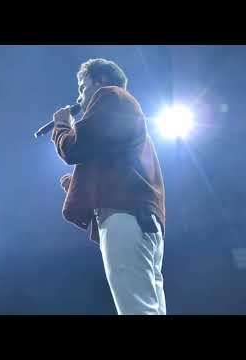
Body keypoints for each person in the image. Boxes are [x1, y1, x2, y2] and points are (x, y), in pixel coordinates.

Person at [51, 58, 166, 315]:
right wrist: (79, 186)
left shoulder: (109, 96)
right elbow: (113, 164)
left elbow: (75, 149)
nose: (79, 98)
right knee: (150, 307)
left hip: (124, 216)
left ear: (100, 81)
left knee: (136, 309)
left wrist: (61, 126)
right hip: (143, 221)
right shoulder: (126, 117)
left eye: (82, 87)